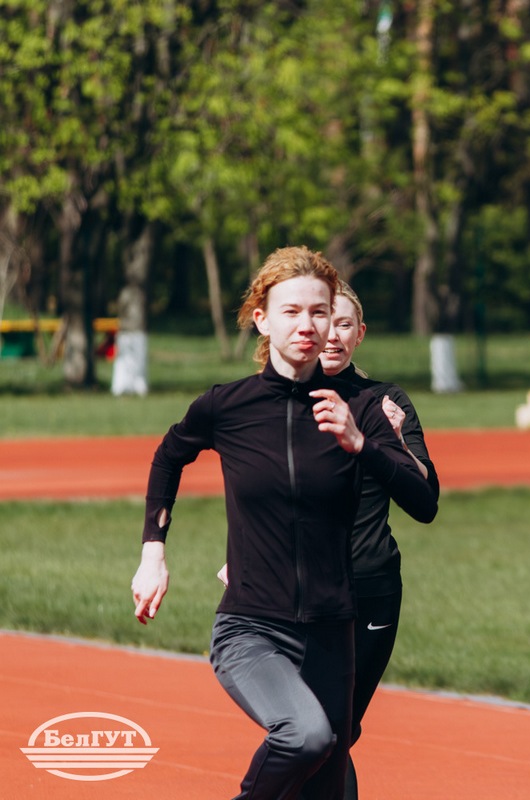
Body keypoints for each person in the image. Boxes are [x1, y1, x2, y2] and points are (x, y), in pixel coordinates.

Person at [131, 246, 438, 800]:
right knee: (304, 736)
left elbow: (424, 502)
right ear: (262, 319)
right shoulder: (228, 406)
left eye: (320, 312)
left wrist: (362, 443)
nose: (308, 325)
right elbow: (169, 455)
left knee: (328, 779)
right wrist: (154, 551)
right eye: (291, 311)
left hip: (333, 627)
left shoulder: (364, 407)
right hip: (253, 626)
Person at [319, 281, 438, 798]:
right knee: (315, 732)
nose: (332, 335)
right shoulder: (279, 399)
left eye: (344, 324)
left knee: (335, 732)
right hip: (299, 589)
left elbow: (426, 502)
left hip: (372, 587)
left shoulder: (386, 401)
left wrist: (389, 442)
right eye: (324, 321)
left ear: (360, 333)